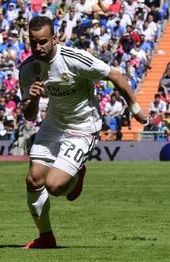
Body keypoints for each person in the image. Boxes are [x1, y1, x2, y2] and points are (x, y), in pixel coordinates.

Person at [19, 16, 147, 249]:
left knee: (54, 186)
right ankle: (46, 236)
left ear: (55, 39)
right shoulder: (29, 68)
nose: (38, 47)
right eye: (33, 42)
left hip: (83, 127)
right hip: (53, 125)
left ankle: (77, 174)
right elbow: (28, 115)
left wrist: (136, 109)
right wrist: (33, 99)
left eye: (43, 42)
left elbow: (116, 76)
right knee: (33, 179)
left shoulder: (74, 59)